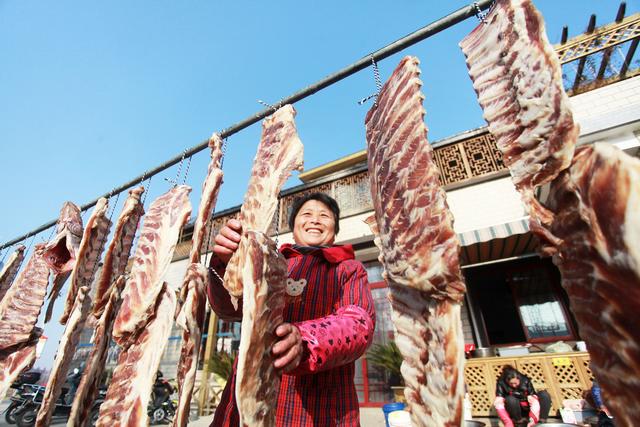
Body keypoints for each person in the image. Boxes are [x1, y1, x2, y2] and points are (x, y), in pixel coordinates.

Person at [207, 192, 375, 426]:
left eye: (324, 216)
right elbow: (229, 310)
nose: (315, 220)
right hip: (249, 392)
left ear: (335, 230)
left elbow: (359, 322)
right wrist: (225, 264)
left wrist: (307, 341)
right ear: (294, 226)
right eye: (306, 214)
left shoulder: (348, 269)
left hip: (320, 407)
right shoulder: (267, 262)